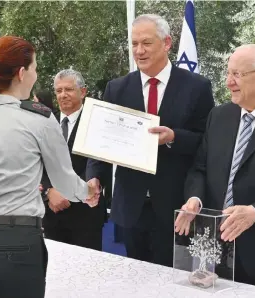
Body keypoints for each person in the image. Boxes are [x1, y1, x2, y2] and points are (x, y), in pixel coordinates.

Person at [0, 36, 99, 298]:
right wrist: (87, 192)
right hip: (14, 244)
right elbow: (66, 183)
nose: (36, 75)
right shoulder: (39, 120)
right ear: (22, 73)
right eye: (35, 68)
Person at [87, 14, 214, 267]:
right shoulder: (117, 88)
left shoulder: (196, 87)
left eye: (146, 43)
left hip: (176, 208)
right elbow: (101, 141)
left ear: (166, 43)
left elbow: (207, 143)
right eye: (134, 44)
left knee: (173, 282)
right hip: (131, 207)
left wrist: (173, 138)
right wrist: (94, 176)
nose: (139, 51)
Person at [175, 44, 255, 295]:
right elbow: (200, 168)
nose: (229, 82)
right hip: (217, 256)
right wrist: (194, 199)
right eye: (228, 73)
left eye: (237, 75)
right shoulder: (219, 115)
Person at [41, 69, 106, 251]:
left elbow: (100, 162)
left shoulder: (97, 122)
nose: (63, 95)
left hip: (86, 212)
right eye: (59, 90)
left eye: (68, 89)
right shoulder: (45, 121)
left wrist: (71, 191)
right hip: (52, 209)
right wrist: (48, 191)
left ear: (83, 92)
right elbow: (36, 161)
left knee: (87, 272)